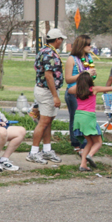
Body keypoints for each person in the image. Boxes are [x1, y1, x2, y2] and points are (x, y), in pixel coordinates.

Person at [27, 28, 65, 165]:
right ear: (57, 39)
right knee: (43, 122)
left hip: (45, 89)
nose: (62, 42)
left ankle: (47, 149)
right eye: (61, 39)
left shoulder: (43, 51)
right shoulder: (50, 54)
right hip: (47, 91)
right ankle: (33, 152)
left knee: (48, 121)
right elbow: (49, 75)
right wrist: (55, 96)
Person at [67, 72, 112, 171]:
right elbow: (110, 88)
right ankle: (90, 155)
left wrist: (80, 83)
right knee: (98, 142)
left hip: (78, 116)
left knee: (89, 142)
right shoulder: (93, 89)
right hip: (89, 117)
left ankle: (83, 165)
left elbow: (69, 90)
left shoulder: (76, 90)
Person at [63, 35, 97, 152]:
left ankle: (85, 143)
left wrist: (92, 74)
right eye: (88, 44)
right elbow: (68, 79)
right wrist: (84, 74)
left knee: (86, 118)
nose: (90, 47)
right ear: (81, 45)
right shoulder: (71, 59)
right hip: (74, 92)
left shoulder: (88, 58)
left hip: (86, 92)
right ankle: (76, 143)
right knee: (75, 118)